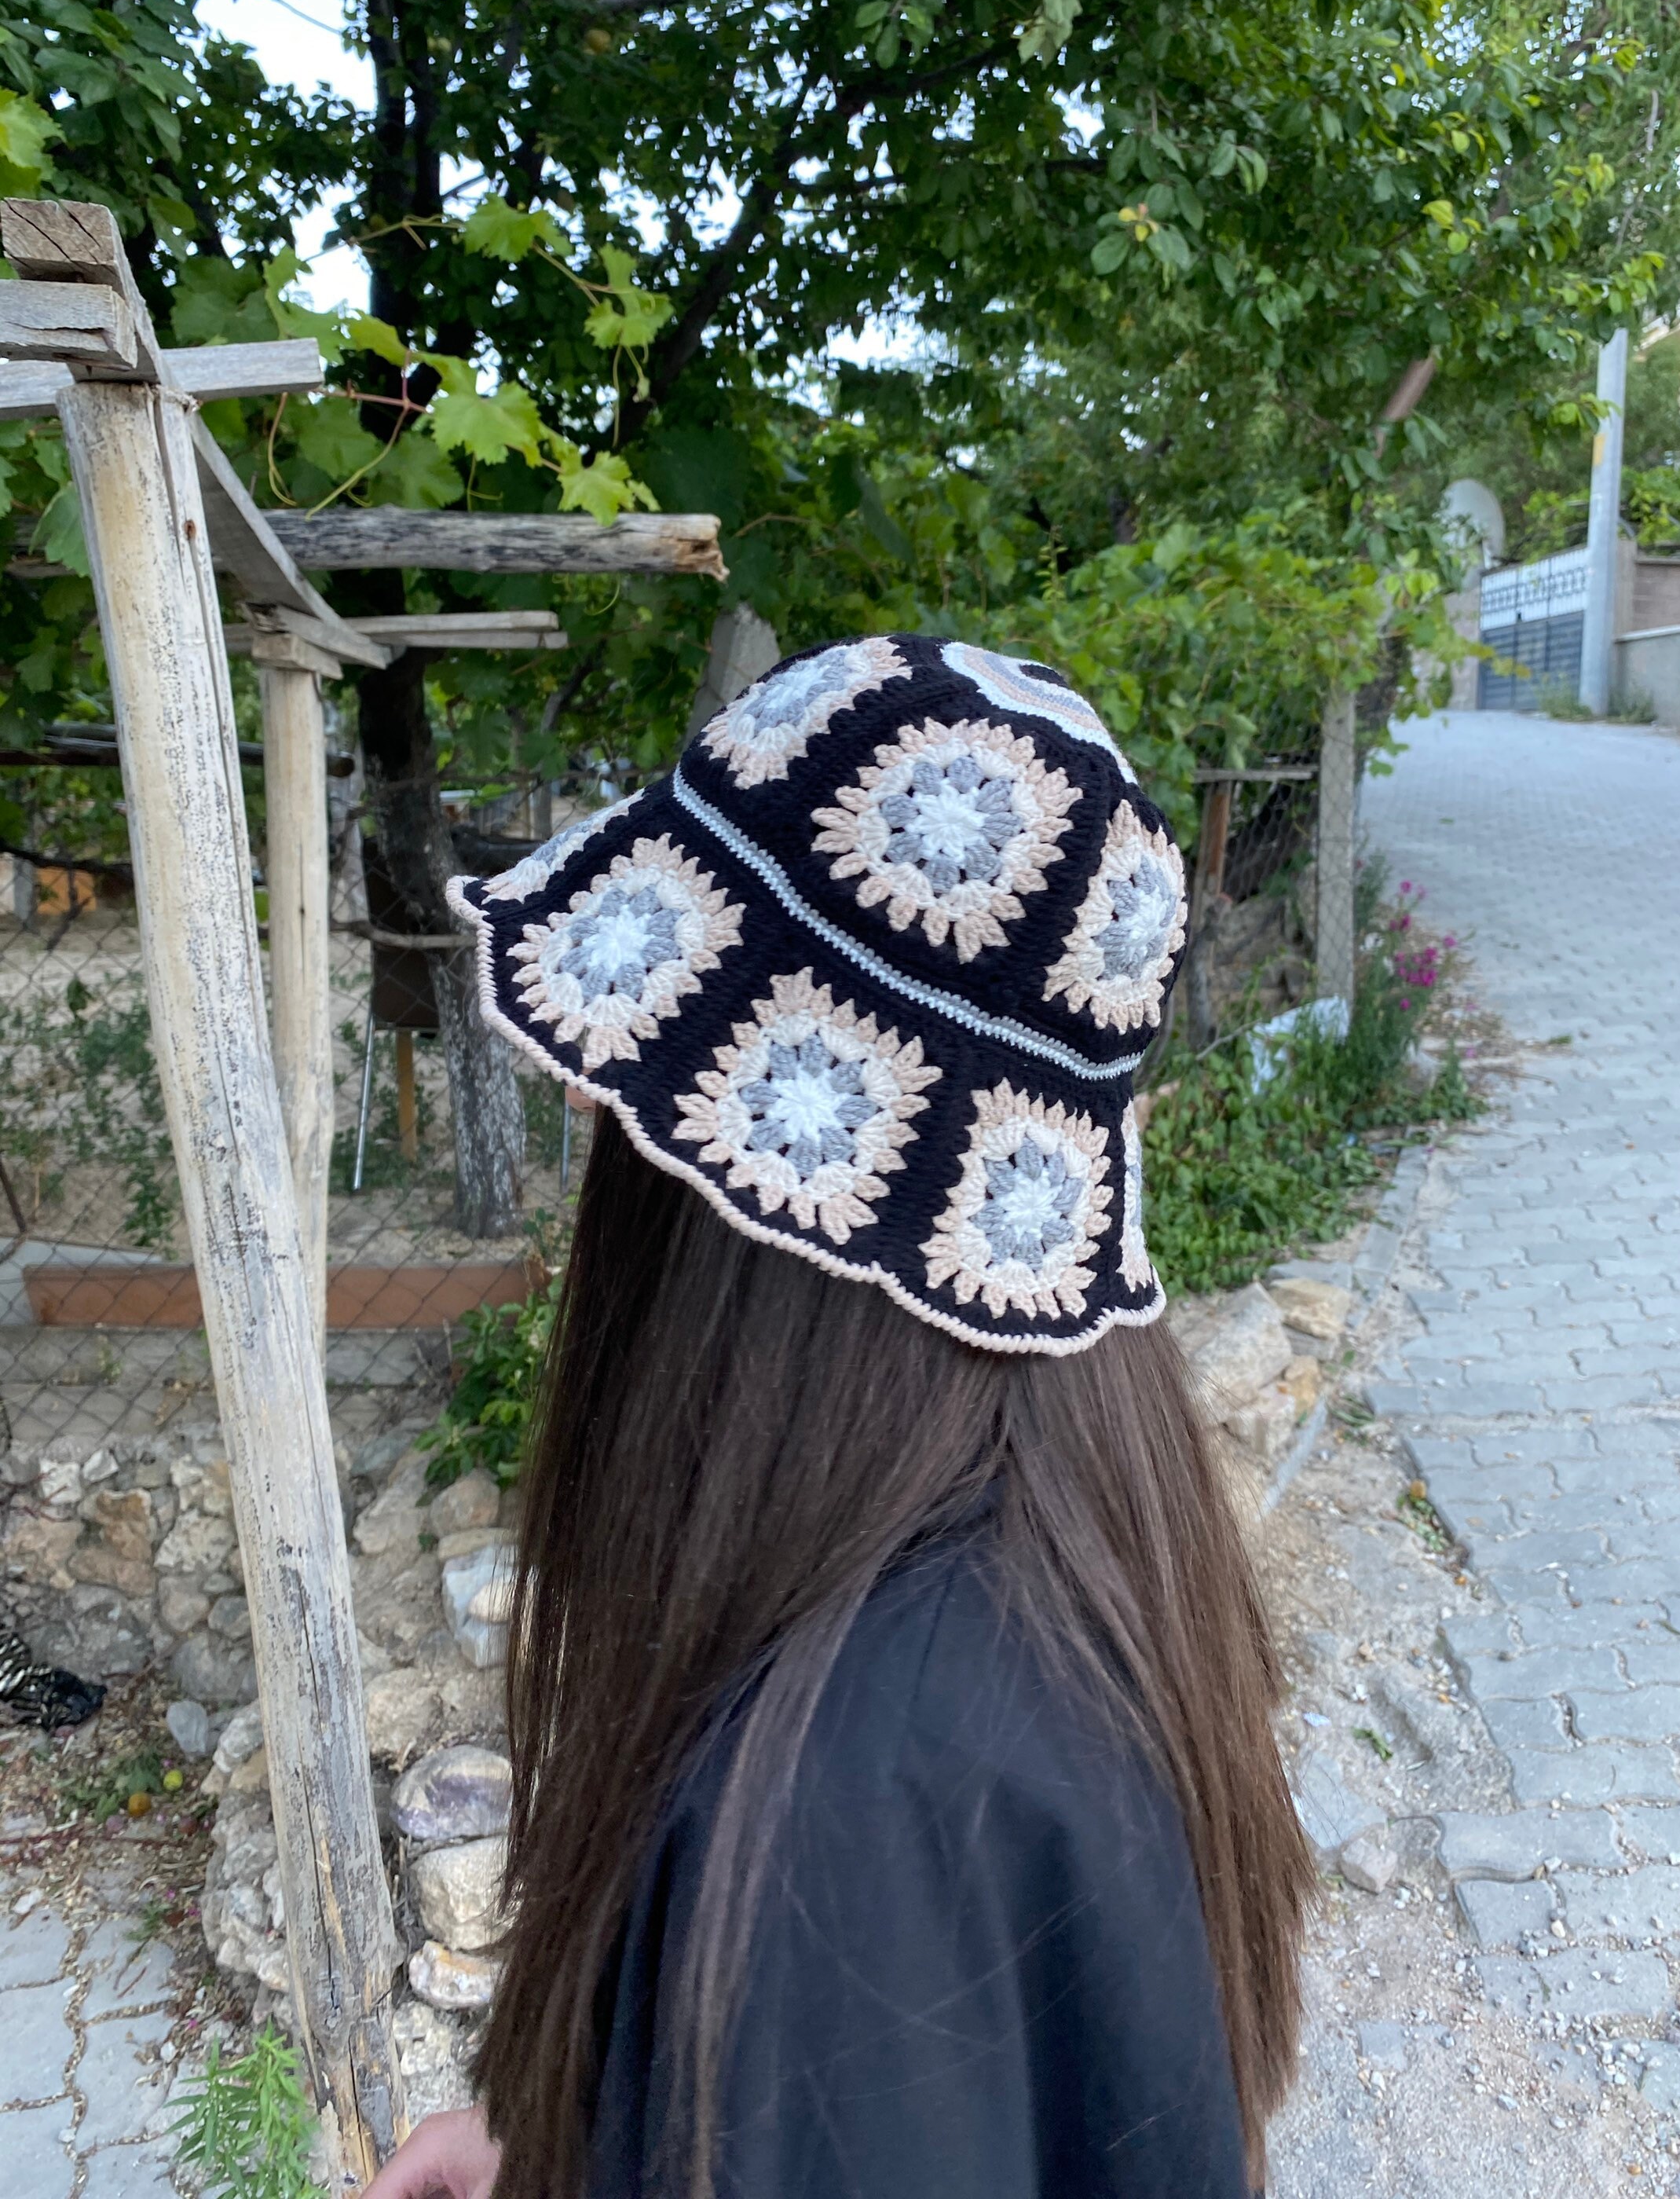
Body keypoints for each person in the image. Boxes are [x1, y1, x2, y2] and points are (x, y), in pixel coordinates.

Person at [366, 636, 1311, 2199]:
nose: (597, 1116)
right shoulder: (1050, 1570)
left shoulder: (850, 1811)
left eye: (634, 1067)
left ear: (761, 1167)